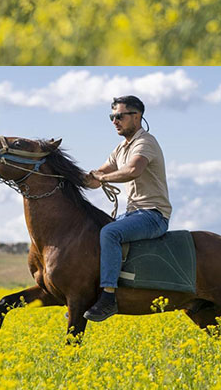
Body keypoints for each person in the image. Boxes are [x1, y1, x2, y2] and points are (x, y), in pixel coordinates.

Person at [81, 95, 172, 322]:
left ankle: (108, 297)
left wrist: (102, 177)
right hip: (132, 214)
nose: (114, 121)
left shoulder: (145, 142)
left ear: (137, 116)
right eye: (112, 117)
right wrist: (73, 178)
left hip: (153, 215)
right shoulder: (120, 148)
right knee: (96, 231)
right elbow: (97, 176)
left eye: (119, 116)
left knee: (110, 232)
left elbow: (133, 170)